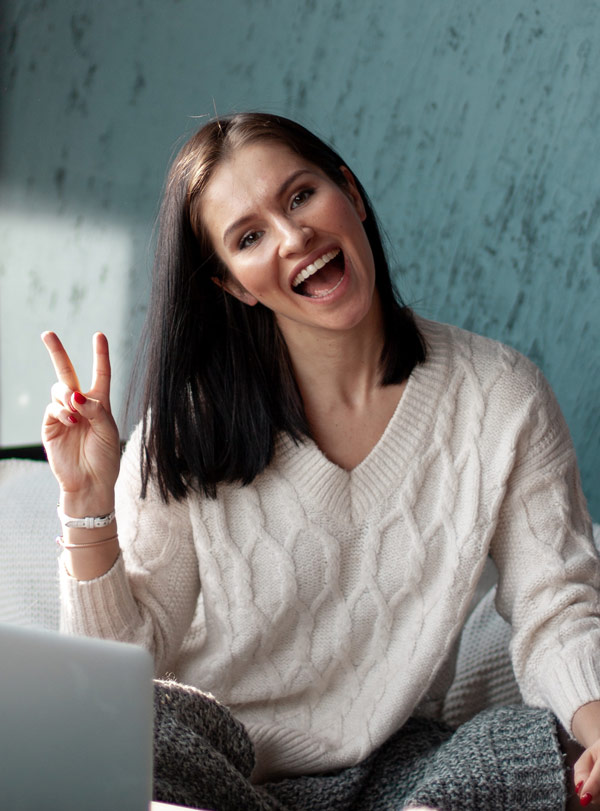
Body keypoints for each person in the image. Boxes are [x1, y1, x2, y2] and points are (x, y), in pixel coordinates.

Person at [42, 112, 600, 810]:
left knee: (530, 747)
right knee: (95, 731)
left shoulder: (503, 395)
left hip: (390, 768)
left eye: (301, 195)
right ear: (233, 284)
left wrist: (598, 720)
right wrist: (86, 501)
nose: (293, 236)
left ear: (350, 193)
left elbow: (556, 604)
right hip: (223, 767)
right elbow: (115, 678)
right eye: (249, 237)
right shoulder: (187, 429)